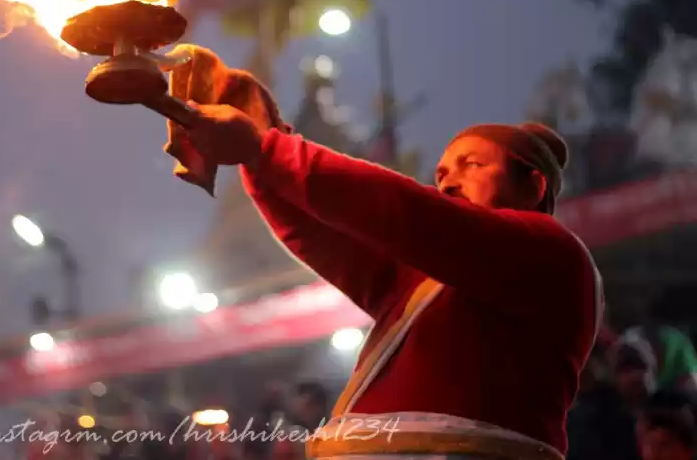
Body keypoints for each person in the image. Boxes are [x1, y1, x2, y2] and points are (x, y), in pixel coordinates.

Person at [183, 105, 603, 459]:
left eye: (471, 165)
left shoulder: (552, 251)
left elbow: (402, 211)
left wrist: (268, 148)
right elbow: (328, 235)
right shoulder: (429, 278)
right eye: (440, 174)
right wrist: (259, 158)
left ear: (533, 185)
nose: (447, 182)